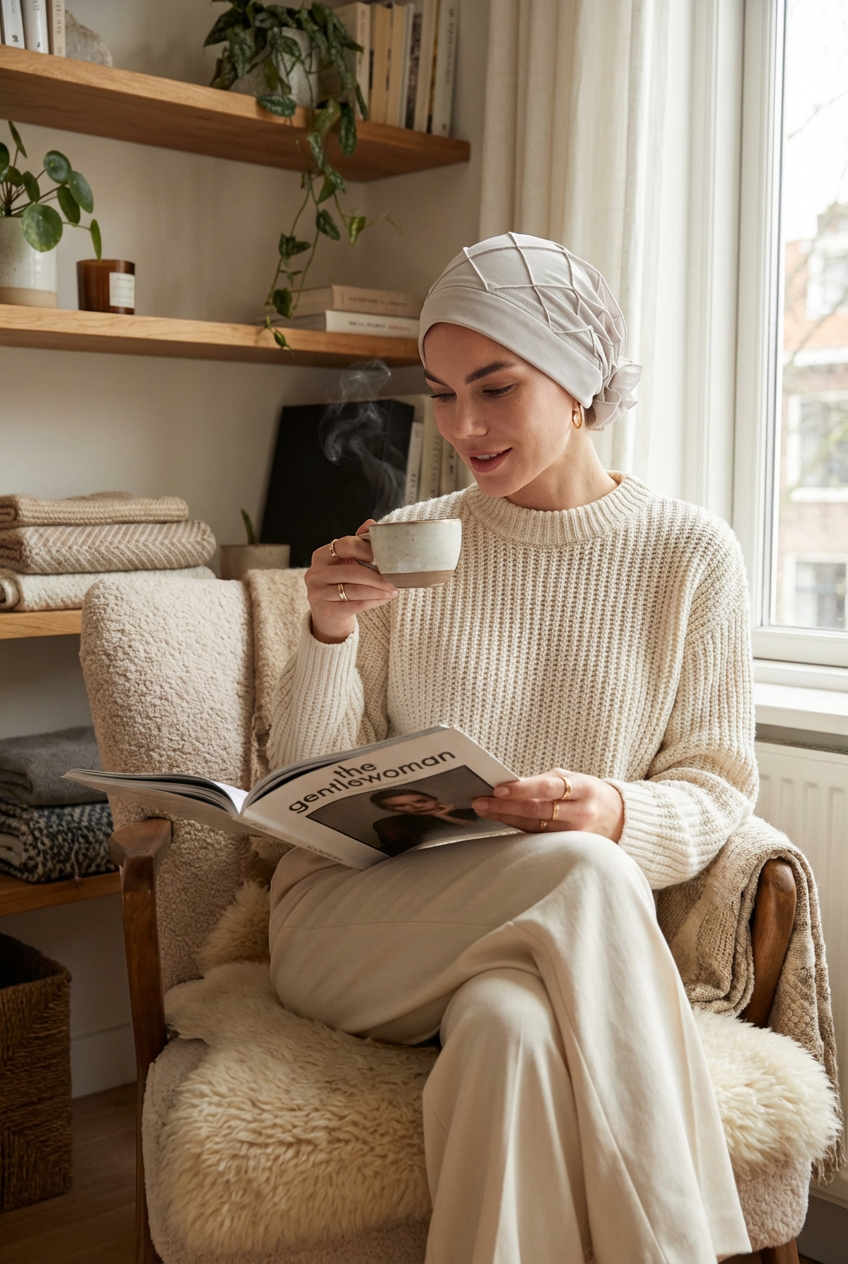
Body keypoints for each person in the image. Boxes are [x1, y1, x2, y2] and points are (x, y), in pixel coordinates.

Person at [267, 233, 754, 1263]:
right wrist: (326, 636)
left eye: (494, 388)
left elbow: (715, 785)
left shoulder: (687, 556)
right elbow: (296, 797)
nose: (462, 427)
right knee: (580, 872)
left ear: (580, 382)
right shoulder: (408, 540)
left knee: (509, 1032)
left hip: (526, 955)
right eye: (442, 394)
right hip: (351, 931)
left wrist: (616, 811)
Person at [369, 787, 485, 854]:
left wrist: (442, 815)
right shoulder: (392, 824)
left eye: (421, 801)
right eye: (401, 805)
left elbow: (484, 828)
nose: (416, 807)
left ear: (433, 799)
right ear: (389, 809)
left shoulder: (471, 811)